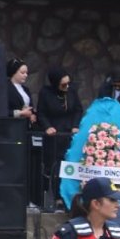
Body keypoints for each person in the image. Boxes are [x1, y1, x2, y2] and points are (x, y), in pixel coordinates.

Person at [35, 68, 84, 210]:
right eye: (63, 85)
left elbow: (78, 109)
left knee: (69, 166)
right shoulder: (46, 93)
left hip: (69, 134)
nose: (67, 87)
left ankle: (69, 197)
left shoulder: (71, 91)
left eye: (68, 83)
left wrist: (75, 125)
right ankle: (55, 198)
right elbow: (41, 113)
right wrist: (47, 127)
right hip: (54, 135)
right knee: (54, 167)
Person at [6, 58, 37, 127]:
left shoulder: (26, 89)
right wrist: (20, 113)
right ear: (14, 72)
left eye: (26, 73)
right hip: (11, 126)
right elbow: (2, 110)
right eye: (22, 73)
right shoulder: (6, 88)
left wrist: (32, 114)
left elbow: (30, 107)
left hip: (25, 126)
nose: (26, 75)